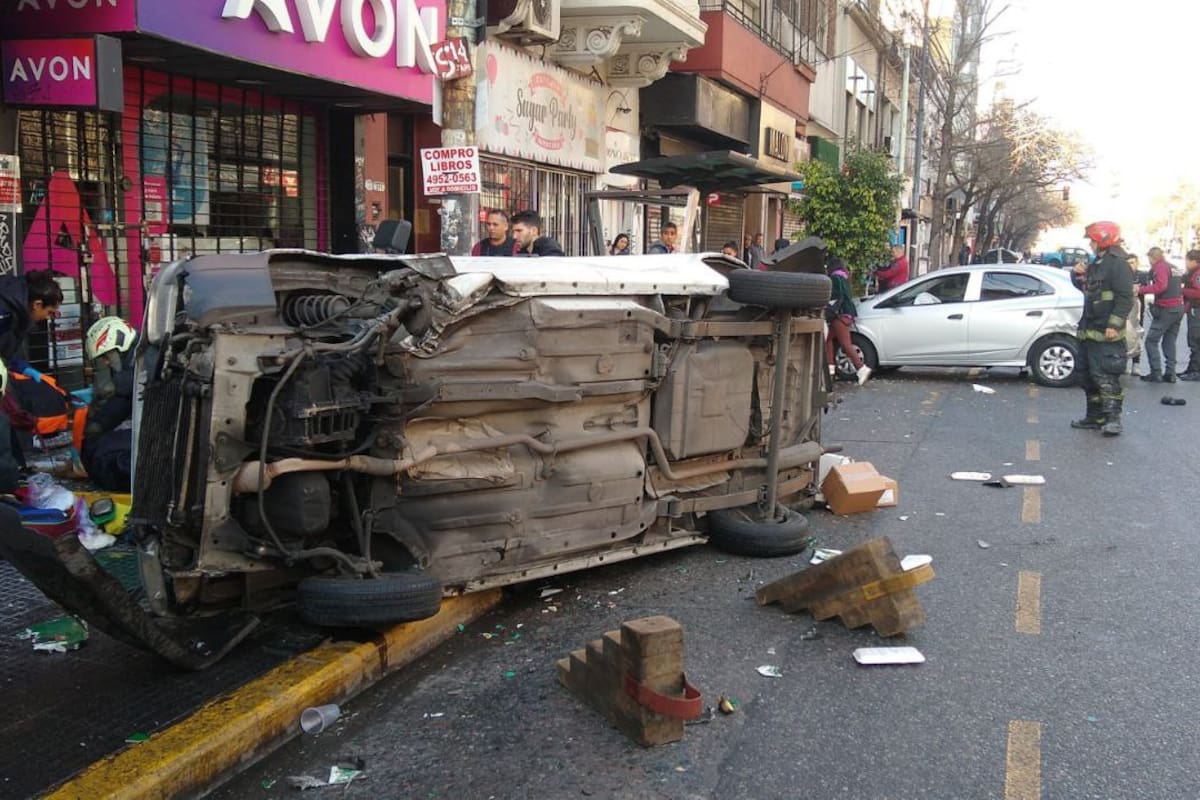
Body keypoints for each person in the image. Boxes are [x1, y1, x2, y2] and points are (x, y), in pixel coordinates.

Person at [1070, 221, 1133, 437]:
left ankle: (1113, 419)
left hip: (1106, 333)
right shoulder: (1097, 262)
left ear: (1103, 240)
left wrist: (1114, 324)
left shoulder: (1118, 264)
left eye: (1092, 240)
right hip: (1089, 329)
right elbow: (1086, 288)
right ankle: (1094, 417)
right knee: (1086, 375)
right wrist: (1076, 274)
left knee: (1106, 376)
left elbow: (1125, 298)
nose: (1090, 244)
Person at [0, 270, 63, 476]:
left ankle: (15, 472)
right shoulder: (5, 312)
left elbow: (4, 350)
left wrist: (22, 367)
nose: (48, 318)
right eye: (49, 312)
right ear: (37, 304)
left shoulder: (15, 310)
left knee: (8, 417)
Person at [79, 317, 137, 491]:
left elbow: (125, 396)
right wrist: (99, 423)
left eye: (106, 356)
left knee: (106, 457)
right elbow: (122, 401)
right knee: (92, 448)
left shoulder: (143, 362)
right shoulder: (130, 366)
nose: (105, 362)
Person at [1136, 246, 1184, 383]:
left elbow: (1161, 286)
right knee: (1170, 341)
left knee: (1151, 341)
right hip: (1178, 308)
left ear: (1152, 258)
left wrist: (1141, 290)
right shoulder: (1173, 267)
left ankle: (1156, 372)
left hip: (1166, 309)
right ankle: (1170, 373)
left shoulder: (1160, 267)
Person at [825, 257, 871, 386]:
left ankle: (861, 368)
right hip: (847, 314)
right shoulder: (844, 278)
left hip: (840, 314)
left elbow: (835, 296)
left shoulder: (835, 278)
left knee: (845, 344)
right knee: (828, 339)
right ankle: (830, 368)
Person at [1177, 250, 1200, 380]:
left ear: (1194, 261)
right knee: (1193, 340)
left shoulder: (1197, 274)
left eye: (1187, 260)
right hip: (1193, 310)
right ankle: (1191, 368)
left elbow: (1198, 293)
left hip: (1197, 310)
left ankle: (1196, 371)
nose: (1185, 263)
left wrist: (1182, 290)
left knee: (1196, 340)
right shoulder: (1191, 273)